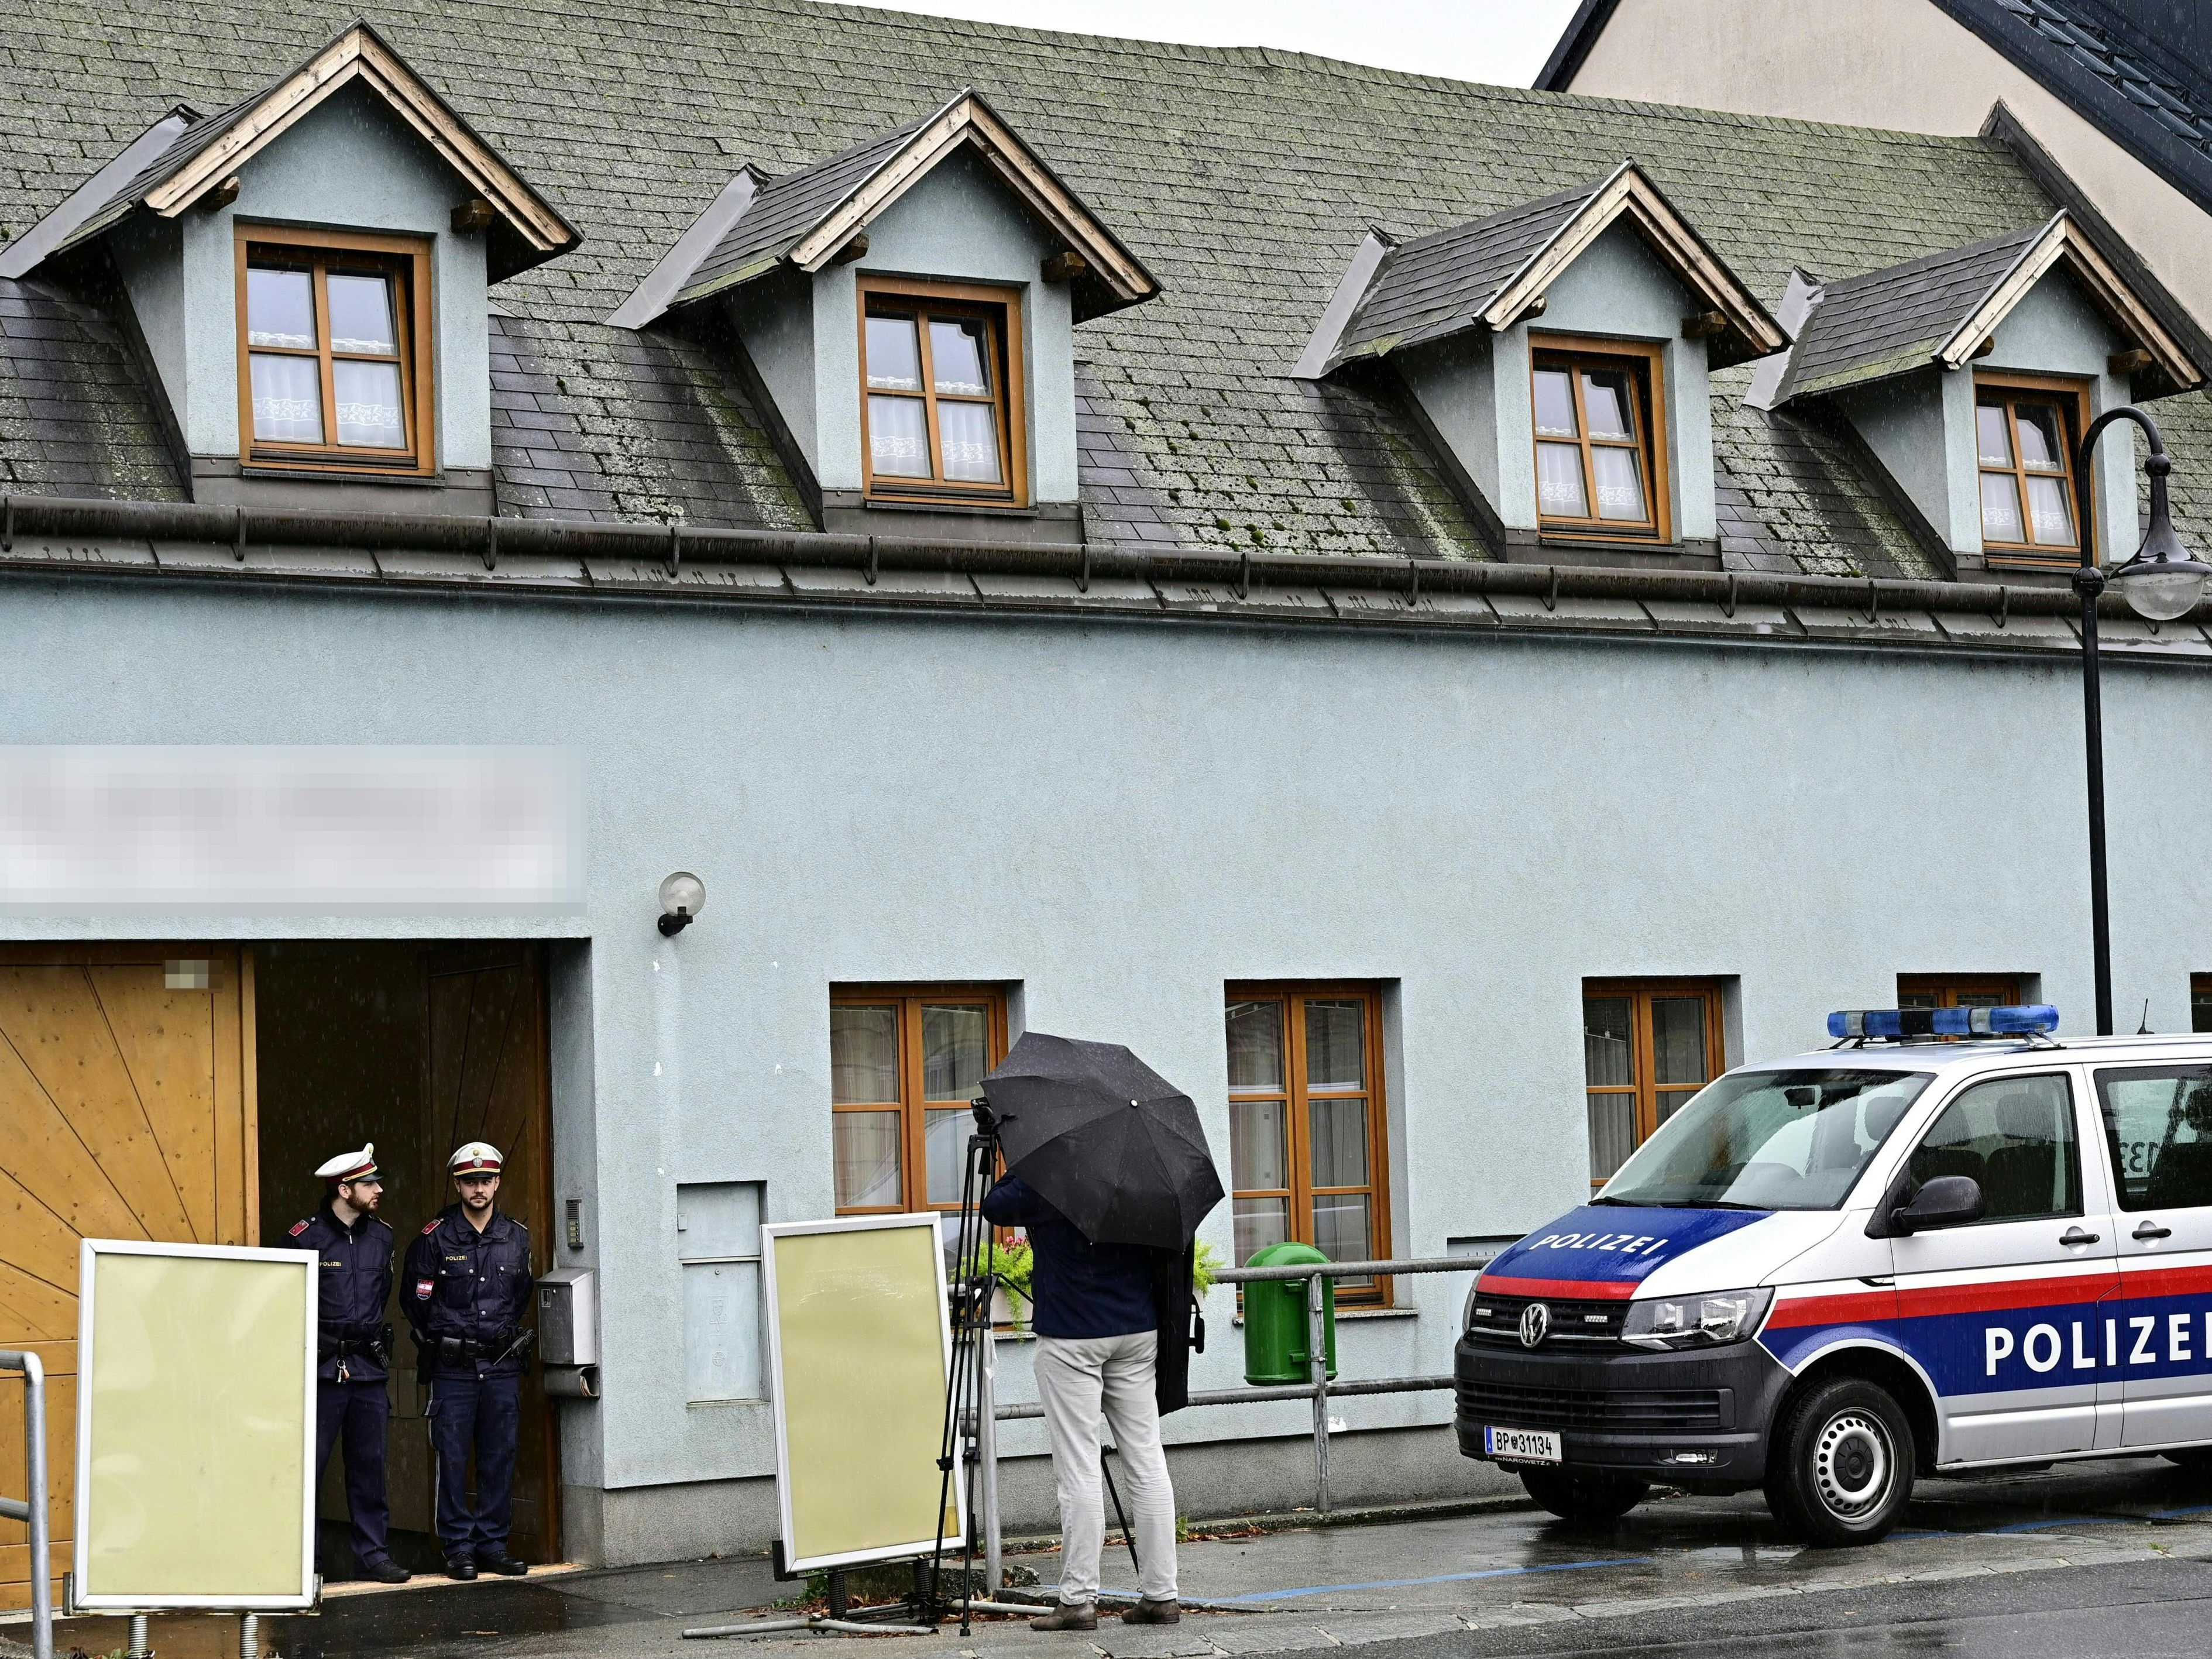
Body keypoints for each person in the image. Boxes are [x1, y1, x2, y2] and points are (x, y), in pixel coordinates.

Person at [981, 1173, 1180, 1630]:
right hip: (1136, 1327)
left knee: (1079, 1466)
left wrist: (1015, 1157)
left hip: (1073, 1333)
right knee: (1147, 1461)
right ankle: (1162, 1594)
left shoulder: (1050, 1174)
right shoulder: (1135, 1172)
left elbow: (995, 1205)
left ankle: (1077, 1600)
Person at [403, 1142, 535, 1581]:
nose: (479, 1188)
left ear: (497, 1182)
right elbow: (415, 1300)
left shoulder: (516, 1236)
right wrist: (449, 1336)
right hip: (453, 1368)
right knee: (454, 1458)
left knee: (499, 1456)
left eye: (486, 1180)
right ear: (457, 1184)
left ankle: (493, 1544)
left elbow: (519, 1297)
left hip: (499, 1365)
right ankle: (458, 1548)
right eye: (470, 1181)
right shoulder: (434, 1237)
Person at [280, 1143, 409, 1584]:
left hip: (368, 1368)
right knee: (308, 1470)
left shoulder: (383, 1236)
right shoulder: (305, 1237)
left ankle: (372, 1554)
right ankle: (305, 1562)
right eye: (369, 1184)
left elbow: (382, 1295)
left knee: (370, 1467)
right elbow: (288, 1303)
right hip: (320, 1368)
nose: (378, 1190)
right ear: (344, 1188)